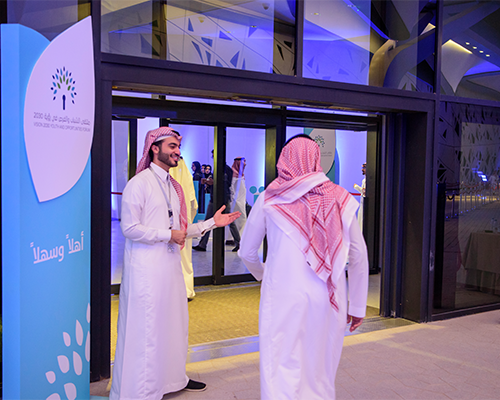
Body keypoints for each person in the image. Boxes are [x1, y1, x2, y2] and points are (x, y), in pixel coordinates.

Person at [110, 127, 241, 400]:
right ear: (154, 148)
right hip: (146, 270)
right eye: (172, 146)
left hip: (170, 268)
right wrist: (166, 235)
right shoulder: (139, 184)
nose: (177, 152)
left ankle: (172, 379)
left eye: (178, 147)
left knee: (173, 326)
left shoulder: (174, 186)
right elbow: (129, 228)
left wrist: (211, 223)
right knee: (148, 329)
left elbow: (180, 230)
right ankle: (144, 391)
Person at [239, 135, 368, 400]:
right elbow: (358, 254)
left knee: (279, 365)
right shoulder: (340, 198)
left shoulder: (269, 198)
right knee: (320, 368)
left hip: (282, 294)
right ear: (316, 159)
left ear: (284, 159)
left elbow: (247, 252)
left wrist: (265, 275)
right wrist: (357, 306)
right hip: (329, 297)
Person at [193, 151, 241, 252]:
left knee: (229, 221)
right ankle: (202, 244)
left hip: (222, 199)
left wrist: (211, 182)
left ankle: (239, 244)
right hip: (216, 198)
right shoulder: (220, 169)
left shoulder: (225, 169)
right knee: (210, 221)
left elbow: (224, 184)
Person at [170, 157, 198, 300]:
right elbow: (193, 204)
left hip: (177, 225)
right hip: (183, 222)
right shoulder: (185, 173)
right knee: (184, 258)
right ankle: (186, 290)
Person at [230, 157, 247, 234]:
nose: (245, 164)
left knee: (242, 218)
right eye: (243, 162)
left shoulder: (241, 175)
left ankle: (240, 236)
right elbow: (231, 189)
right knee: (235, 219)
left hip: (242, 201)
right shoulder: (233, 175)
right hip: (235, 201)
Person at [353, 162, 366, 232]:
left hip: (365, 205)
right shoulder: (364, 180)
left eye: (364, 167)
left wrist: (356, 187)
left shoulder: (368, 181)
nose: (362, 169)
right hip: (362, 203)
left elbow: (365, 192)